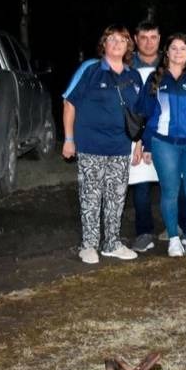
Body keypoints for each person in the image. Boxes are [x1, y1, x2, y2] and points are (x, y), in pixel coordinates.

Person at [62, 25, 142, 264]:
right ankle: (88, 245)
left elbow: (137, 113)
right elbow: (69, 103)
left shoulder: (133, 76)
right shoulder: (90, 70)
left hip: (120, 146)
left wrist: (138, 143)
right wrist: (68, 139)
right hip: (90, 145)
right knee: (91, 196)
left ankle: (112, 243)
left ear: (129, 46)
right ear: (104, 44)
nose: (117, 44)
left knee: (117, 197)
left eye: (122, 40)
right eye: (112, 39)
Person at [137, 33, 186, 258]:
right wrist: (147, 145)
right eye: (174, 48)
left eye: (183, 49)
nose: (178, 53)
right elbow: (147, 113)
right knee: (170, 192)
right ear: (167, 52)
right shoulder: (156, 78)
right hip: (164, 144)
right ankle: (173, 238)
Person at [128, 21, 161, 252]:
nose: (149, 42)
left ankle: (178, 229)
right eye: (144, 37)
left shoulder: (171, 61)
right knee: (140, 184)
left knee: (174, 183)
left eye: (153, 37)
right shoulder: (127, 64)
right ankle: (144, 232)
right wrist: (137, 137)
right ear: (136, 39)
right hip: (137, 133)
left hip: (167, 132)